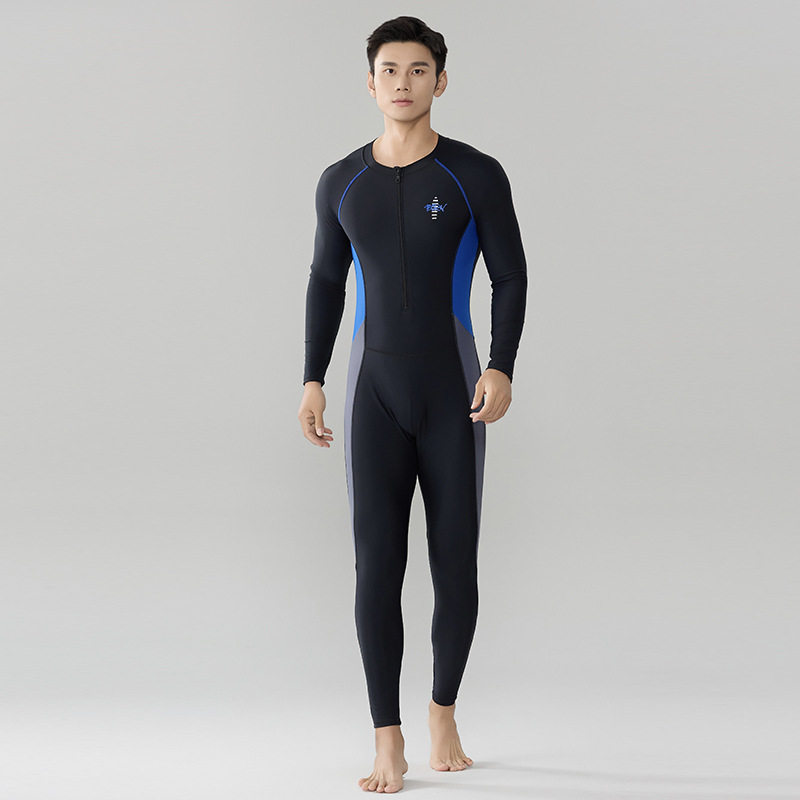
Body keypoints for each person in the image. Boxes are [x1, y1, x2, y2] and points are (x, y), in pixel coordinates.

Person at [297, 16, 527, 794]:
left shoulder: (474, 174)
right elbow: (326, 281)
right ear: (370, 83)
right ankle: (386, 736)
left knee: (454, 562)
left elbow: (511, 275)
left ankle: (442, 711)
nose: (403, 83)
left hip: (454, 393)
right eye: (390, 70)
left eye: (418, 70)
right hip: (374, 395)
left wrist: (501, 365)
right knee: (376, 567)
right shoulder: (341, 181)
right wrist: (312, 377)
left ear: (441, 81)